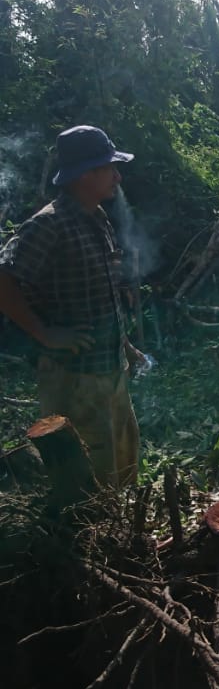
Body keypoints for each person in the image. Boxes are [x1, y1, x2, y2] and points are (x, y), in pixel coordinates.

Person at [0, 125, 146, 488]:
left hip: (109, 370)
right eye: (108, 168)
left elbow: (102, 295)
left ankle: (125, 536)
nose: (118, 176)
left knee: (122, 459)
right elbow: (3, 278)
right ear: (85, 174)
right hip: (73, 378)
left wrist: (125, 346)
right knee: (88, 477)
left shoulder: (98, 218)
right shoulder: (49, 224)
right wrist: (45, 333)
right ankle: (90, 541)